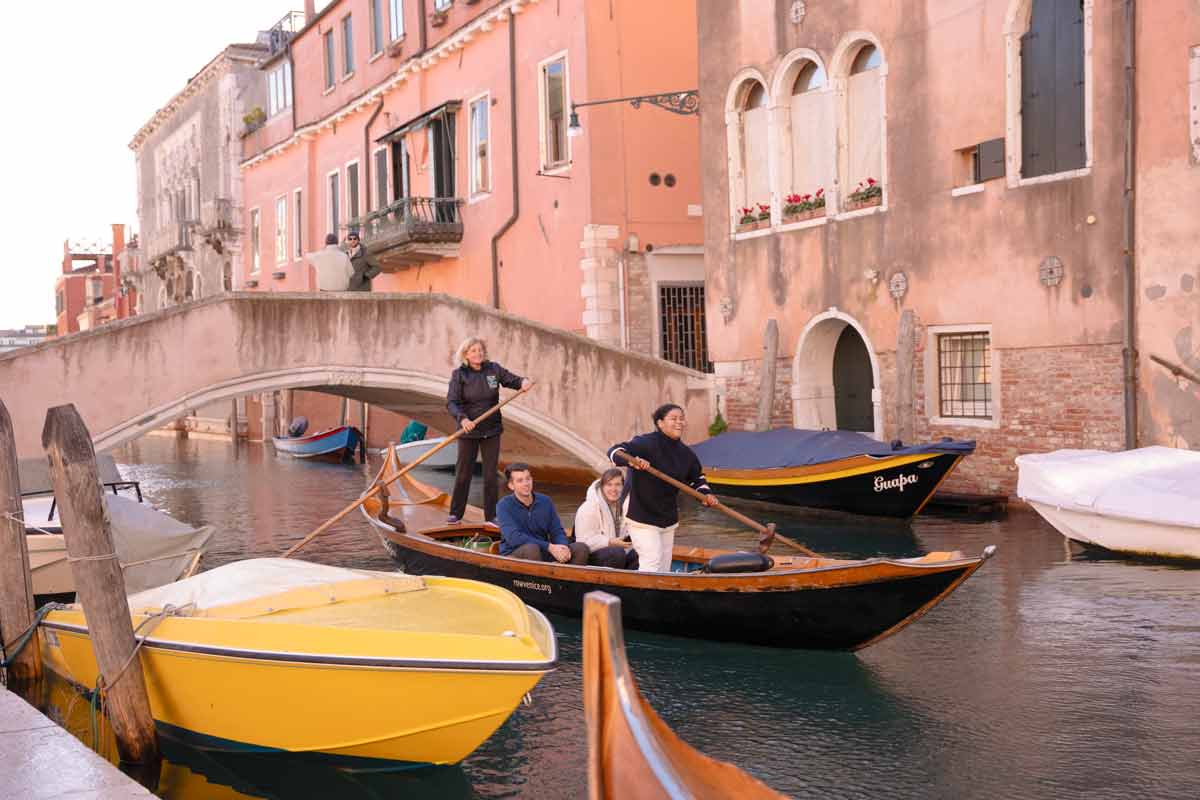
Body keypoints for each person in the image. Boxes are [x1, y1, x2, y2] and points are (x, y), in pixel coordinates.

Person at [607, 403, 718, 572]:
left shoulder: (685, 454)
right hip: (640, 510)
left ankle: (659, 597)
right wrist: (633, 461)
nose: (679, 422)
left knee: (664, 566)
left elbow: (697, 479)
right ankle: (643, 597)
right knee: (652, 559)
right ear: (660, 423)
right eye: (673, 419)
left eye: (682, 419)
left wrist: (706, 494)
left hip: (667, 515)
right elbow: (614, 451)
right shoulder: (646, 443)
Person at [445, 337, 532, 523]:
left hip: (491, 430)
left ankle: (491, 516)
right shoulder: (459, 374)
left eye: (480, 350)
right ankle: (455, 513)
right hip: (469, 430)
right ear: (466, 354)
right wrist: (463, 419)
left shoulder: (493, 369)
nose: (478, 353)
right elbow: (451, 402)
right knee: (463, 473)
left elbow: (512, 380)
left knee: (490, 475)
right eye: (473, 350)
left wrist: (523, 382)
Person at [496, 463, 589, 565]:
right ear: (511, 485)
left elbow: (556, 530)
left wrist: (563, 547)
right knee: (531, 549)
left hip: (543, 551)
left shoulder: (545, 501)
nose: (526, 483)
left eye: (528, 479)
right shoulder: (504, 505)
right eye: (520, 481)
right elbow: (514, 538)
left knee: (581, 548)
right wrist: (550, 547)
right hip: (515, 553)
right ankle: (537, 580)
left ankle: (567, 579)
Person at [573, 468, 639, 570]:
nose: (614, 489)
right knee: (616, 553)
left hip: (621, 551)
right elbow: (583, 541)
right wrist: (610, 542)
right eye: (609, 485)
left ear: (623, 487)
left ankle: (630, 583)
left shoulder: (626, 505)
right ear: (602, 487)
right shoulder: (588, 508)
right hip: (594, 555)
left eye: (617, 485)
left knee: (642, 552)